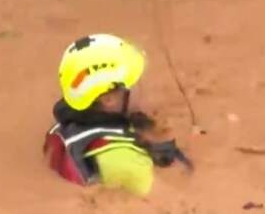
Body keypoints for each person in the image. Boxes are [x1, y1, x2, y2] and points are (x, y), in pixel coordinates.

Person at [44, 33, 192, 197]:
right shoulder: (127, 164)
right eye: (136, 82)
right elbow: (168, 201)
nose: (144, 88)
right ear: (109, 99)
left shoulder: (74, 120)